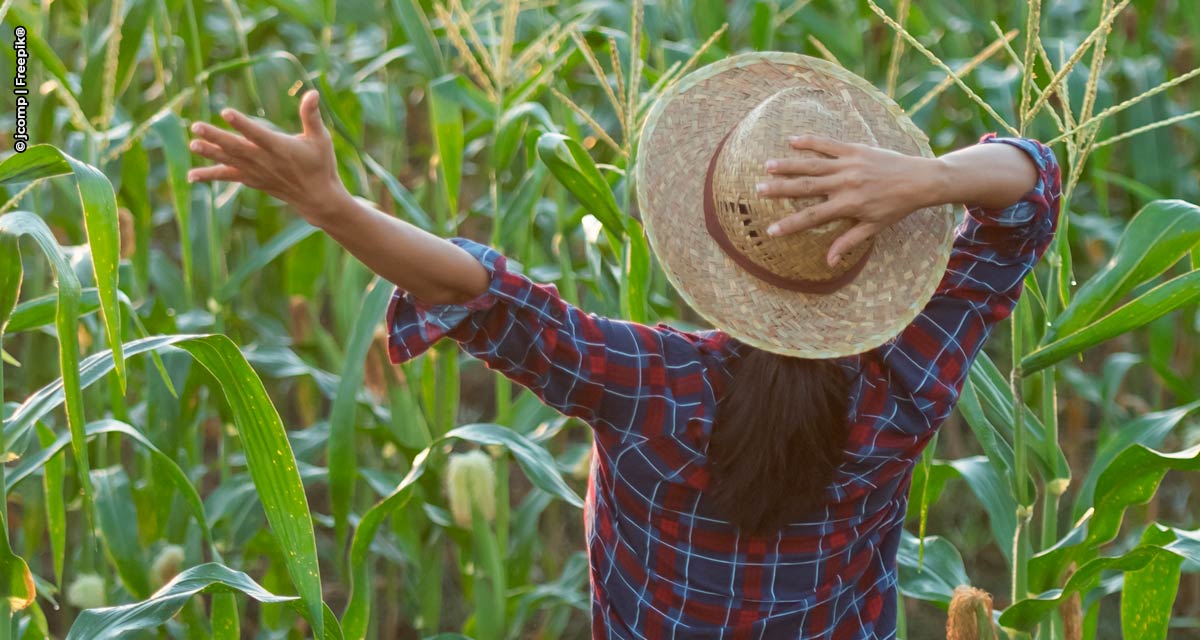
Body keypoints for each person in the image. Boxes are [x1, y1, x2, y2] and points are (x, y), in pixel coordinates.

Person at [187, 52, 1060, 639]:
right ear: (873, 259)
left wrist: (331, 207)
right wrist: (932, 181)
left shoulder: (651, 385)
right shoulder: (904, 386)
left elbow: (481, 291)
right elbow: (1031, 191)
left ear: (715, 243)